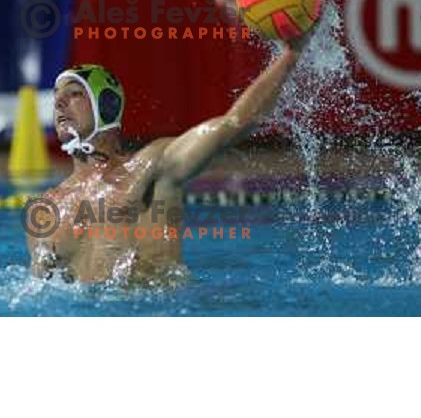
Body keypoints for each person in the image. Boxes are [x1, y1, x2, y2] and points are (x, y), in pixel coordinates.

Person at [27, 40, 306, 285]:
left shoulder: (151, 168)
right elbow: (40, 295)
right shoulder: (46, 209)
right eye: (56, 97)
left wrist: (292, 53)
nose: (60, 103)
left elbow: (232, 125)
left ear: (107, 104)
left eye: (75, 94)